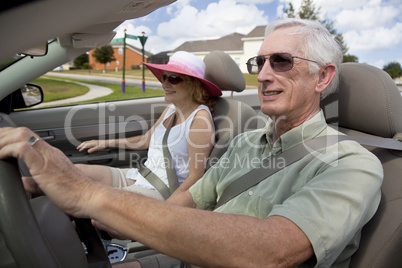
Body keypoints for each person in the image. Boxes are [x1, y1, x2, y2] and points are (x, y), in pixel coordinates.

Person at [0, 18, 383, 268]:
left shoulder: (351, 164)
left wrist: (88, 194)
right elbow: (196, 197)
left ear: (322, 77)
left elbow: (270, 252)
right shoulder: (247, 142)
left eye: (281, 61)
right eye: (259, 63)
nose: (263, 75)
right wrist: (128, 222)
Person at [75, 51, 222, 200]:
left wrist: (171, 207)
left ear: (193, 85)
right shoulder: (171, 109)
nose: (164, 83)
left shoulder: (199, 120)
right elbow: (145, 140)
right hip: (142, 175)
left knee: (100, 204)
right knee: (76, 172)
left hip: (163, 190)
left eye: (173, 78)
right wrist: (104, 143)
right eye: (164, 77)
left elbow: (196, 177)